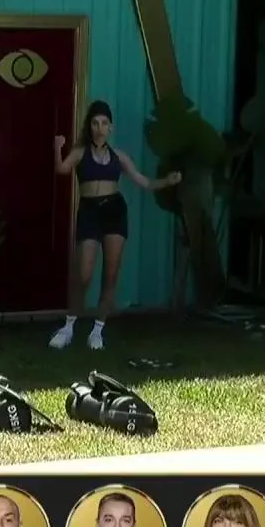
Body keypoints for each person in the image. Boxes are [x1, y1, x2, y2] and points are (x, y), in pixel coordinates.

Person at [49, 100, 182, 350]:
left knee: (110, 274)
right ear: (90, 126)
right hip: (89, 212)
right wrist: (58, 148)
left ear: (110, 127)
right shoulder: (80, 152)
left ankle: (97, 330)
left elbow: (144, 182)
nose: (100, 128)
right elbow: (62, 169)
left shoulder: (118, 156)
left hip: (114, 212)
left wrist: (167, 181)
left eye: (104, 123)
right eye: (95, 123)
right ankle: (68, 327)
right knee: (84, 274)